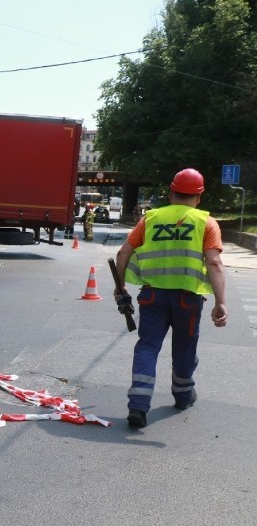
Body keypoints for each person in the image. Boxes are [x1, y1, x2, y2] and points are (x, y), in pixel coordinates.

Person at [113, 168, 227, 428]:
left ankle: (138, 406)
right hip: (188, 300)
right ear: (199, 197)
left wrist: (120, 287)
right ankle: (183, 395)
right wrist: (221, 302)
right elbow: (215, 263)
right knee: (184, 348)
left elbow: (123, 253)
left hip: (152, 297)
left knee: (148, 347)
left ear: (170, 192)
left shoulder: (150, 219)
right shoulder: (206, 222)